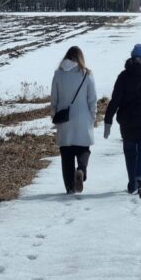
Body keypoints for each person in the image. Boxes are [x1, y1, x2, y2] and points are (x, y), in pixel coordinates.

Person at [103, 43, 141, 198]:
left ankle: (132, 184)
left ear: (131, 56)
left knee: (130, 152)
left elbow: (115, 101)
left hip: (127, 121)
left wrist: (108, 121)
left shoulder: (123, 77)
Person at [50, 45, 98, 194]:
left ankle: (70, 187)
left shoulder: (58, 74)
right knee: (83, 149)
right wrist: (92, 117)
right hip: (83, 119)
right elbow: (92, 99)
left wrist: (54, 116)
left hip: (64, 120)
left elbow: (54, 99)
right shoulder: (86, 74)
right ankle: (81, 170)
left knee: (66, 154)